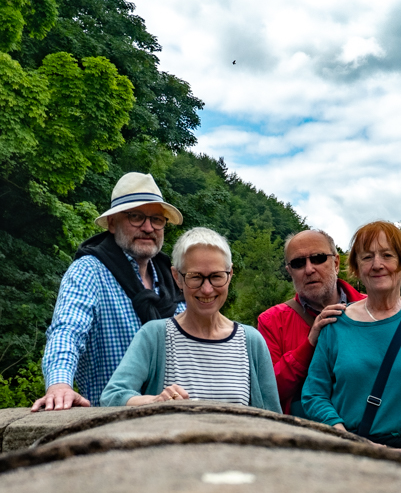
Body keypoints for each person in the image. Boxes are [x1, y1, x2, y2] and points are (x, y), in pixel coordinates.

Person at [302, 221, 401, 460]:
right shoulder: (335, 325)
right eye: (367, 257)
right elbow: (314, 395)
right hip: (350, 455)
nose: (377, 265)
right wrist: (349, 442)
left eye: (387, 255)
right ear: (357, 268)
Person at [32, 173, 185, 411]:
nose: (148, 227)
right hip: (110, 426)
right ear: (112, 223)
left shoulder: (175, 279)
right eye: (135, 216)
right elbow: (67, 330)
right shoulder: (89, 271)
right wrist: (59, 385)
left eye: (157, 219)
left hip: (177, 424)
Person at [257, 229, 401, 415]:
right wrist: (309, 345)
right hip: (299, 439)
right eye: (298, 263)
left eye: (318, 258)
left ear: (336, 262)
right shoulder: (273, 320)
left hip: (369, 432)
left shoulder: (379, 311)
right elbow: (266, 391)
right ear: (289, 271)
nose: (309, 269)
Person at [101, 228, 281, 412]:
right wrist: (155, 401)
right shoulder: (154, 336)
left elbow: (273, 416)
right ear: (177, 277)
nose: (207, 289)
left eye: (216, 276)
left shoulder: (251, 341)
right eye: (195, 277)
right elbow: (112, 396)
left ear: (230, 275)